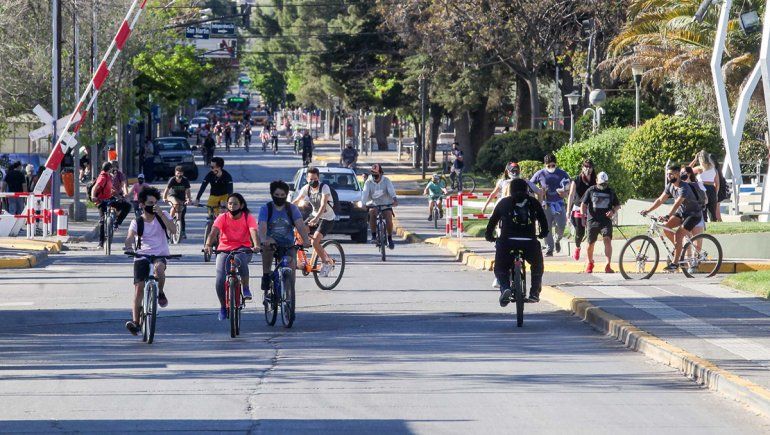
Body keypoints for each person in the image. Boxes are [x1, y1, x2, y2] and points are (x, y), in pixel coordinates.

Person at [485, 178, 548, 305]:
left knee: (500, 268)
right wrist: (542, 233)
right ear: (526, 189)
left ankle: (505, 288)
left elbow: (492, 222)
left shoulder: (503, 203)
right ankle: (534, 292)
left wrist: (489, 236)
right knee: (537, 266)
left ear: (511, 189)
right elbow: (543, 221)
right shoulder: (533, 202)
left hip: (507, 242)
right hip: (529, 242)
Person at [123, 186, 176, 335]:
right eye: (149, 203)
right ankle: (136, 322)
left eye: (155, 203)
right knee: (139, 288)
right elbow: (130, 236)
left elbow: (173, 230)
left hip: (160, 254)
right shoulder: (137, 222)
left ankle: (159, 292)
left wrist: (162, 215)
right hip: (141, 256)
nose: (152, 206)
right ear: (141, 205)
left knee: (159, 269)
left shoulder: (163, 215)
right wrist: (127, 244)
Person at [204, 193, 259, 320]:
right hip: (224, 249)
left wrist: (256, 245)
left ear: (241, 205)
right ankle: (223, 307)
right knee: (220, 277)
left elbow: (253, 231)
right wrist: (208, 244)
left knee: (240, 258)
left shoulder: (247, 217)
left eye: (235, 204)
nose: (232, 206)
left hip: (243, 248)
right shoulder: (222, 217)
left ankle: (245, 287)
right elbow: (214, 232)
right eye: (230, 204)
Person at [641, 164, 703, 272]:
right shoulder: (670, 186)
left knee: (678, 235)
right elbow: (660, 200)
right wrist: (648, 210)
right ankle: (679, 246)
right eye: (667, 174)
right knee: (666, 227)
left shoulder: (684, 187)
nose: (668, 176)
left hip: (693, 214)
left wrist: (668, 215)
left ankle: (675, 263)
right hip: (682, 213)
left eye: (670, 174)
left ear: (677, 174)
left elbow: (678, 203)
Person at [258, 181, 311, 301]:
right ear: (272, 194)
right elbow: (262, 226)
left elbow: (300, 225)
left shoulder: (292, 209)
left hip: (287, 244)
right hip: (271, 243)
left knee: (291, 267)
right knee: (267, 249)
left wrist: (306, 239)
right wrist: (263, 239)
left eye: (283, 195)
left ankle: (289, 294)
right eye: (277, 195)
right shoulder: (266, 208)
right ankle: (266, 276)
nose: (280, 198)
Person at [292, 167, 337, 277]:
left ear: (318, 178)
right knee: (297, 231)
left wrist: (317, 218)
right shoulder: (306, 188)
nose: (313, 181)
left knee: (315, 242)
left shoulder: (324, 188)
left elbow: (323, 205)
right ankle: (302, 261)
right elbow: (297, 201)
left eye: (315, 179)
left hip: (327, 218)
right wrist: (285, 209)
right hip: (314, 215)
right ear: (307, 179)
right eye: (311, 179)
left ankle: (326, 263)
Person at [530, 153, 570, 256]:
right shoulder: (540, 174)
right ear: (545, 165)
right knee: (546, 227)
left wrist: (564, 192)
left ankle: (557, 240)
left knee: (561, 225)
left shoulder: (562, 173)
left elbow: (569, 187)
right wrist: (539, 191)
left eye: (553, 165)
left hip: (559, 204)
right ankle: (549, 248)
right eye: (549, 166)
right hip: (545, 204)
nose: (551, 168)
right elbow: (530, 184)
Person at [580, 172, 621, 273]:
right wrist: (583, 217)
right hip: (592, 220)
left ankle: (608, 264)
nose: (603, 186)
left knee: (607, 239)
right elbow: (583, 205)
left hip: (605, 221)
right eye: (601, 184)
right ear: (596, 181)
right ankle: (590, 262)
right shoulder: (591, 190)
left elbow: (617, 205)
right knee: (590, 243)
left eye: (605, 184)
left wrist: (612, 211)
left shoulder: (610, 191)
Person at [91, 162, 131, 249]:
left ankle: (117, 223)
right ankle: (101, 243)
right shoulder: (102, 177)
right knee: (102, 221)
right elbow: (95, 187)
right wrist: (93, 196)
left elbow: (111, 188)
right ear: (109, 169)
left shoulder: (109, 176)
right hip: (102, 201)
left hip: (110, 199)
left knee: (127, 206)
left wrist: (119, 196)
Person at [565, 159, 596, 261]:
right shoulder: (577, 180)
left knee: (591, 232)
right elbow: (571, 195)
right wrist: (568, 211)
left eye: (589, 167)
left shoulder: (595, 179)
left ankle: (589, 255)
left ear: (592, 168)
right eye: (585, 166)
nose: (587, 169)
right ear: (582, 167)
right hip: (578, 208)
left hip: (591, 209)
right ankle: (577, 247)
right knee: (580, 232)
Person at [362, 163, 398, 249]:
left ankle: (389, 238)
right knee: (372, 213)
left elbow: (391, 191)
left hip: (386, 203)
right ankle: (374, 235)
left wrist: (395, 200)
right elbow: (365, 194)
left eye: (376, 174)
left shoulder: (386, 181)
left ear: (381, 173)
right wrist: (363, 204)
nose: (374, 176)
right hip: (374, 204)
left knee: (389, 217)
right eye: (373, 174)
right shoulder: (368, 182)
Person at [690, 150, 721, 222]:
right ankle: (714, 224)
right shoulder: (714, 169)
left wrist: (694, 160)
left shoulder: (700, 168)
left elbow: (686, 170)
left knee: (703, 211)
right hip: (712, 188)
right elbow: (717, 183)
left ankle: (704, 226)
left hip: (702, 188)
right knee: (712, 211)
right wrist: (716, 193)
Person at [163, 166, 191, 239]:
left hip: (182, 199)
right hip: (172, 196)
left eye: (181, 173)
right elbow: (167, 189)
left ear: (183, 173)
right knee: (176, 203)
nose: (179, 175)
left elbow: (188, 190)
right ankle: (170, 219)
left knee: (181, 215)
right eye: (178, 173)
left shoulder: (185, 180)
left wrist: (188, 199)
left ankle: (180, 230)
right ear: (175, 173)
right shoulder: (172, 180)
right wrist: (164, 197)